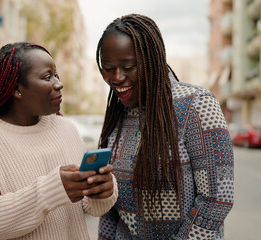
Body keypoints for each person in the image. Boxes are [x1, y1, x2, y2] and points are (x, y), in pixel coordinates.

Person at [0, 42, 118, 240]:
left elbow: (92, 208)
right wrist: (50, 192)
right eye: (47, 77)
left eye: (56, 75)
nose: (58, 83)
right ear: (16, 89)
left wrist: (102, 191)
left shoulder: (66, 128)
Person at [95, 14, 234, 239]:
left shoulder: (197, 104)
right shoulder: (117, 114)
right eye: (108, 68)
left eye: (128, 66)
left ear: (153, 60)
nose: (117, 78)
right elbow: (111, 211)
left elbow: (217, 199)